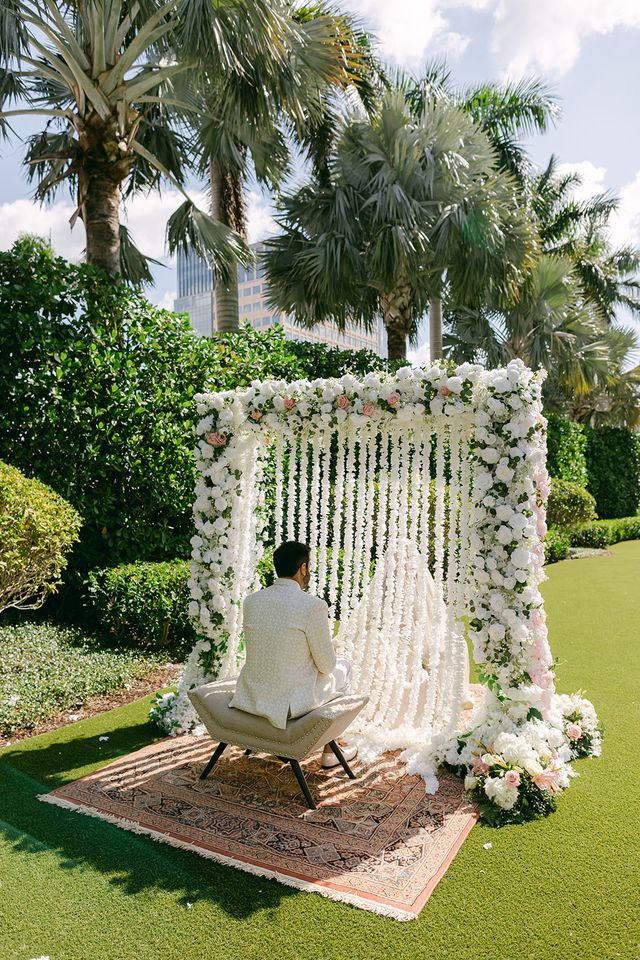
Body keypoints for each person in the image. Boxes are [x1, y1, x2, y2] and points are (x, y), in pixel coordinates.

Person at [229, 540, 356, 769]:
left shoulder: (252, 601)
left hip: (251, 694)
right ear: (303, 568)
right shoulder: (312, 605)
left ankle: (325, 746)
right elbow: (326, 666)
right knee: (344, 668)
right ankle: (330, 751)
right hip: (287, 703)